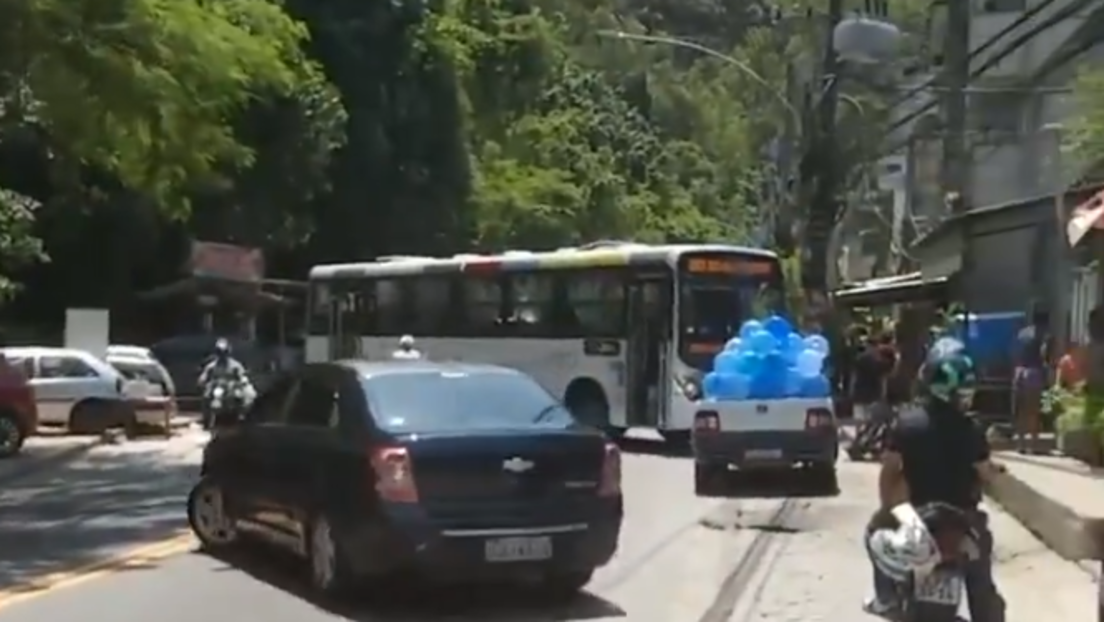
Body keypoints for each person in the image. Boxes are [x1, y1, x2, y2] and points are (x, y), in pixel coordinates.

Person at [864, 339, 1005, 621]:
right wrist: (994, 472)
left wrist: (886, 509)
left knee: (872, 533)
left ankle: (886, 599)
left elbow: (889, 471)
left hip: (914, 516)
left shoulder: (906, 422)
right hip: (962, 519)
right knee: (982, 584)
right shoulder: (973, 429)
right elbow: (984, 471)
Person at [1012, 308, 1050, 454]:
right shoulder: (1044, 335)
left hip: (1019, 372)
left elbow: (1014, 353)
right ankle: (1032, 445)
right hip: (1034, 373)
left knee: (1020, 410)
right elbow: (1045, 355)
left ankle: (1020, 444)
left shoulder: (1022, 334)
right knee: (1033, 411)